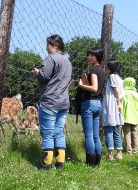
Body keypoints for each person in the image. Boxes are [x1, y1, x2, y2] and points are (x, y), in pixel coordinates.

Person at [33, 34, 72, 170]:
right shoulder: (67, 62)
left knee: (48, 133)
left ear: (56, 46)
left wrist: (38, 72)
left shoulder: (51, 58)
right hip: (64, 102)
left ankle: (46, 165)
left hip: (49, 101)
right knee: (58, 132)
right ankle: (60, 163)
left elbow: (44, 75)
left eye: (48, 45)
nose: (46, 48)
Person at [78, 47, 105, 167]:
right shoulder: (102, 70)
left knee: (89, 135)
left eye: (92, 55)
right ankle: (97, 162)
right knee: (95, 135)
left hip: (89, 103)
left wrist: (81, 85)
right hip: (98, 103)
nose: (89, 57)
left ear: (97, 56)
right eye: (88, 55)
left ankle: (90, 162)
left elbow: (94, 88)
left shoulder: (94, 70)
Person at [101, 60, 124, 161]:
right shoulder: (119, 78)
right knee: (116, 130)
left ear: (110, 68)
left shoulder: (112, 77)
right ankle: (119, 153)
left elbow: (116, 91)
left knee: (108, 130)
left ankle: (110, 154)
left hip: (111, 106)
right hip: (116, 106)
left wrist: (118, 104)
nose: (106, 69)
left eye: (107, 67)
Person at [121, 77, 138, 154]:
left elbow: (122, 105)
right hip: (135, 117)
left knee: (127, 134)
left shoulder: (124, 93)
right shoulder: (136, 94)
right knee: (135, 134)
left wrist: (121, 115)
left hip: (126, 117)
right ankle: (135, 150)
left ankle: (129, 150)